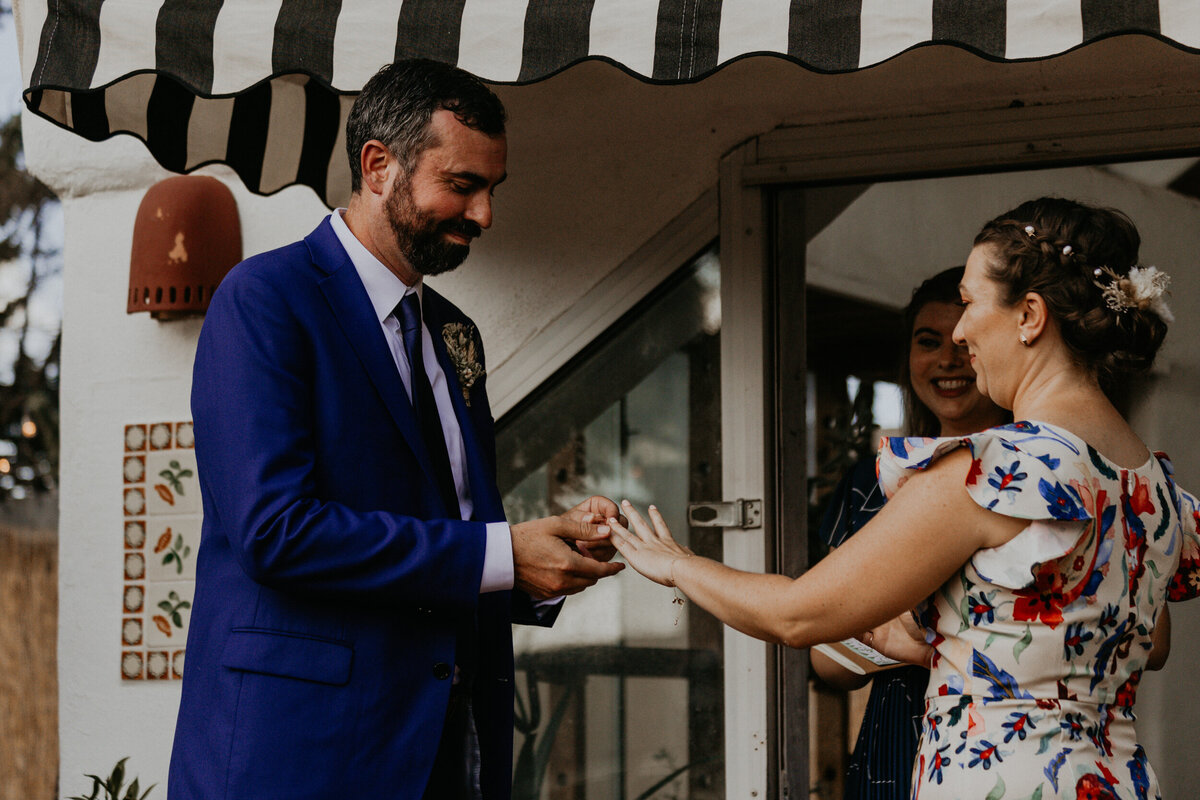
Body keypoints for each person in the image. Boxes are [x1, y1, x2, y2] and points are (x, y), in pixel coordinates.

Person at [609, 197, 1200, 798]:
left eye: (969, 304)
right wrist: (930, 652)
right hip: (1116, 780)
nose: (962, 332)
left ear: (1029, 315)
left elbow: (796, 615)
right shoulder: (1150, 484)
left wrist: (680, 566)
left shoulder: (995, 472)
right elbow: (1085, 656)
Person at [168, 60, 624, 799]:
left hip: (443, 752)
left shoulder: (453, 333)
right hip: (296, 757)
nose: (484, 216)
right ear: (378, 166)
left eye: (491, 189)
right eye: (463, 185)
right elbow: (276, 532)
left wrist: (543, 556)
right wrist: (501, 552)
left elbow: (452, 538)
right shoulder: (264, 301)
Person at [810, 266, 1009, 799]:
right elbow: (827, 660)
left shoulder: (1037, 475)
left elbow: (1144, 640)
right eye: (928, 341)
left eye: (963, 341)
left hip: (1009, 749)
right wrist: (911, 645)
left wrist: (907, 631)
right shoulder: (870, 482)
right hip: (897, 749)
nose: (947, 359)